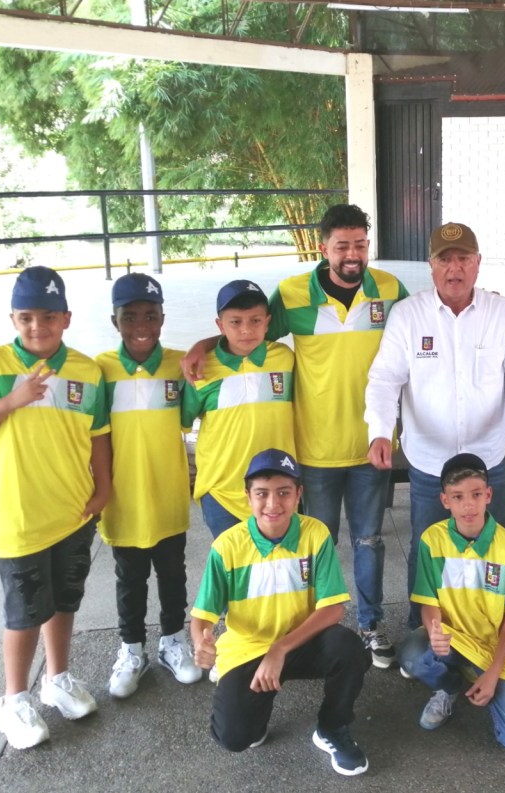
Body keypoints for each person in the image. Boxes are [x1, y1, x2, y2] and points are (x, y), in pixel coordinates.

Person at [181, 205, 407, 669]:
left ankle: (369, 624)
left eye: (360, 244)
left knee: (369, 541)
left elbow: (416, 334)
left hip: (371, 445)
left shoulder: (388, 289)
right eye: (341, 245)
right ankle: (307, 634)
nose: (352, 254)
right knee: (310, 547)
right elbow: (247, 333)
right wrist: (203, 344)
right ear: (323, 247)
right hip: (313, 452)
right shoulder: (292, 294)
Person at [0, 266, 111, 749]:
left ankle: (57, 679)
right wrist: (14, 401)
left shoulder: (86, 370)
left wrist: (103, 490)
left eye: (47, 317)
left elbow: (99, 437)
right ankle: (13, 700)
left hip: (72, 512)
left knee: (64, 600)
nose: (36, 327)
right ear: (13, 318)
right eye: (25, 318)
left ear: (66, 318)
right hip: (16, 515)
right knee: (23, 610)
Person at [365, 222, 505, 626]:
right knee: (427, 548)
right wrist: (380, 431)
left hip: (488, 459)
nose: (455, 269)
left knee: (491, 549)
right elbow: (384, 380)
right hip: (429, 461)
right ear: (430, 266)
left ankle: (490, 630)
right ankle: (423, 629)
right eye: (445, 259)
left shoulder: (501, 312)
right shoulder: (407, 315)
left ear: (478, 263)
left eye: (464, 259)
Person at [190, 448, 371, 776]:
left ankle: (332, 728)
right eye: (262, 494)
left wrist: (280, 649)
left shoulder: (315, 534)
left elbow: (332, 609)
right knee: (234, 737)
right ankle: (256, 712)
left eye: (284, 493)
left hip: (300, 642)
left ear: (299, 494)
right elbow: (202, 615)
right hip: (248, 650)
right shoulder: (227, 547)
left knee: (350, 649)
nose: (273, 504)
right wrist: (200, 641)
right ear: (248, 497)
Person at [95, 273, 202, 697]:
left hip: (167, 492)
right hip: (123, 497)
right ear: (114, 320)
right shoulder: (99, 369)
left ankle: (173, 641)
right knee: (130, 576)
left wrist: (201, 349)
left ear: (162, 319)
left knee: (173, 572)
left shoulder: (179, 365)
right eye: (130, 316)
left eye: (151, 316)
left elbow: (187, 417)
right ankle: (131, 648)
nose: (141, 324)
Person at [398, 453, 505, 751]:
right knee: (413, 653)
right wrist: (434, 630)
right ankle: (448, 687)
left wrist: (493, 674)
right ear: (445, 501)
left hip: (494, 648)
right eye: (458, 497)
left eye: (476, 495)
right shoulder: (431, 540)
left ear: (489, 495)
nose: (468, 505)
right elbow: (428, 601)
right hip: (454, 640)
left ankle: (481, 679)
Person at [181, 279, 295, 538]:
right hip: (221, 493)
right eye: (235, 322)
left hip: (278, 490)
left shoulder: (285, 360)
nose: (246, 330)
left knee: (276, 570)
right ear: (220, 325)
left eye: (255, 321)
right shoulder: (201, 370)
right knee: (232, 572)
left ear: (267, 321)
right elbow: (182, 420)